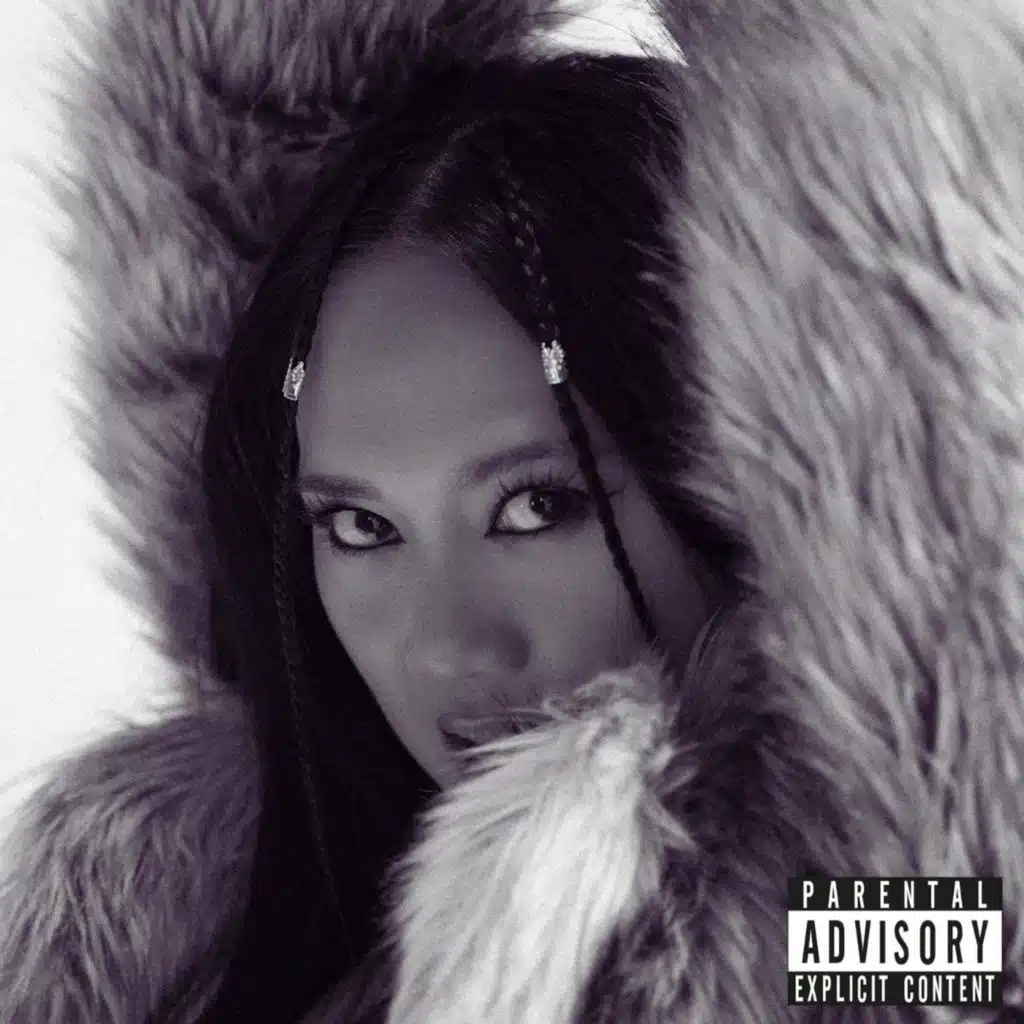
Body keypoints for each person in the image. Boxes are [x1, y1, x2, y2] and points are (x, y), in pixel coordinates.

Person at [2, 0, 1022, 1022]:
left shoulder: (850, 932)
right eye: (360, 528)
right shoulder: (164, 948)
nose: (446, 644)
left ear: (753, 476)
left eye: (536, 505)